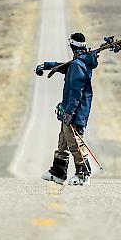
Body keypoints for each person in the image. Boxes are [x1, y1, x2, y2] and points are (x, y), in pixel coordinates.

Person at [35, 31, 98, 186]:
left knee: (75, 143)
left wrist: (69, 112)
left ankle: (83, 174)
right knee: (63, 141)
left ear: (71, 45)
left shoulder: (78, 65)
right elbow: (64, 66)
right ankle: (58, 172)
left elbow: (76, 91)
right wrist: (46, 66)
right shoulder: (79, 62)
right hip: (71, 111)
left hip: (75, 112)